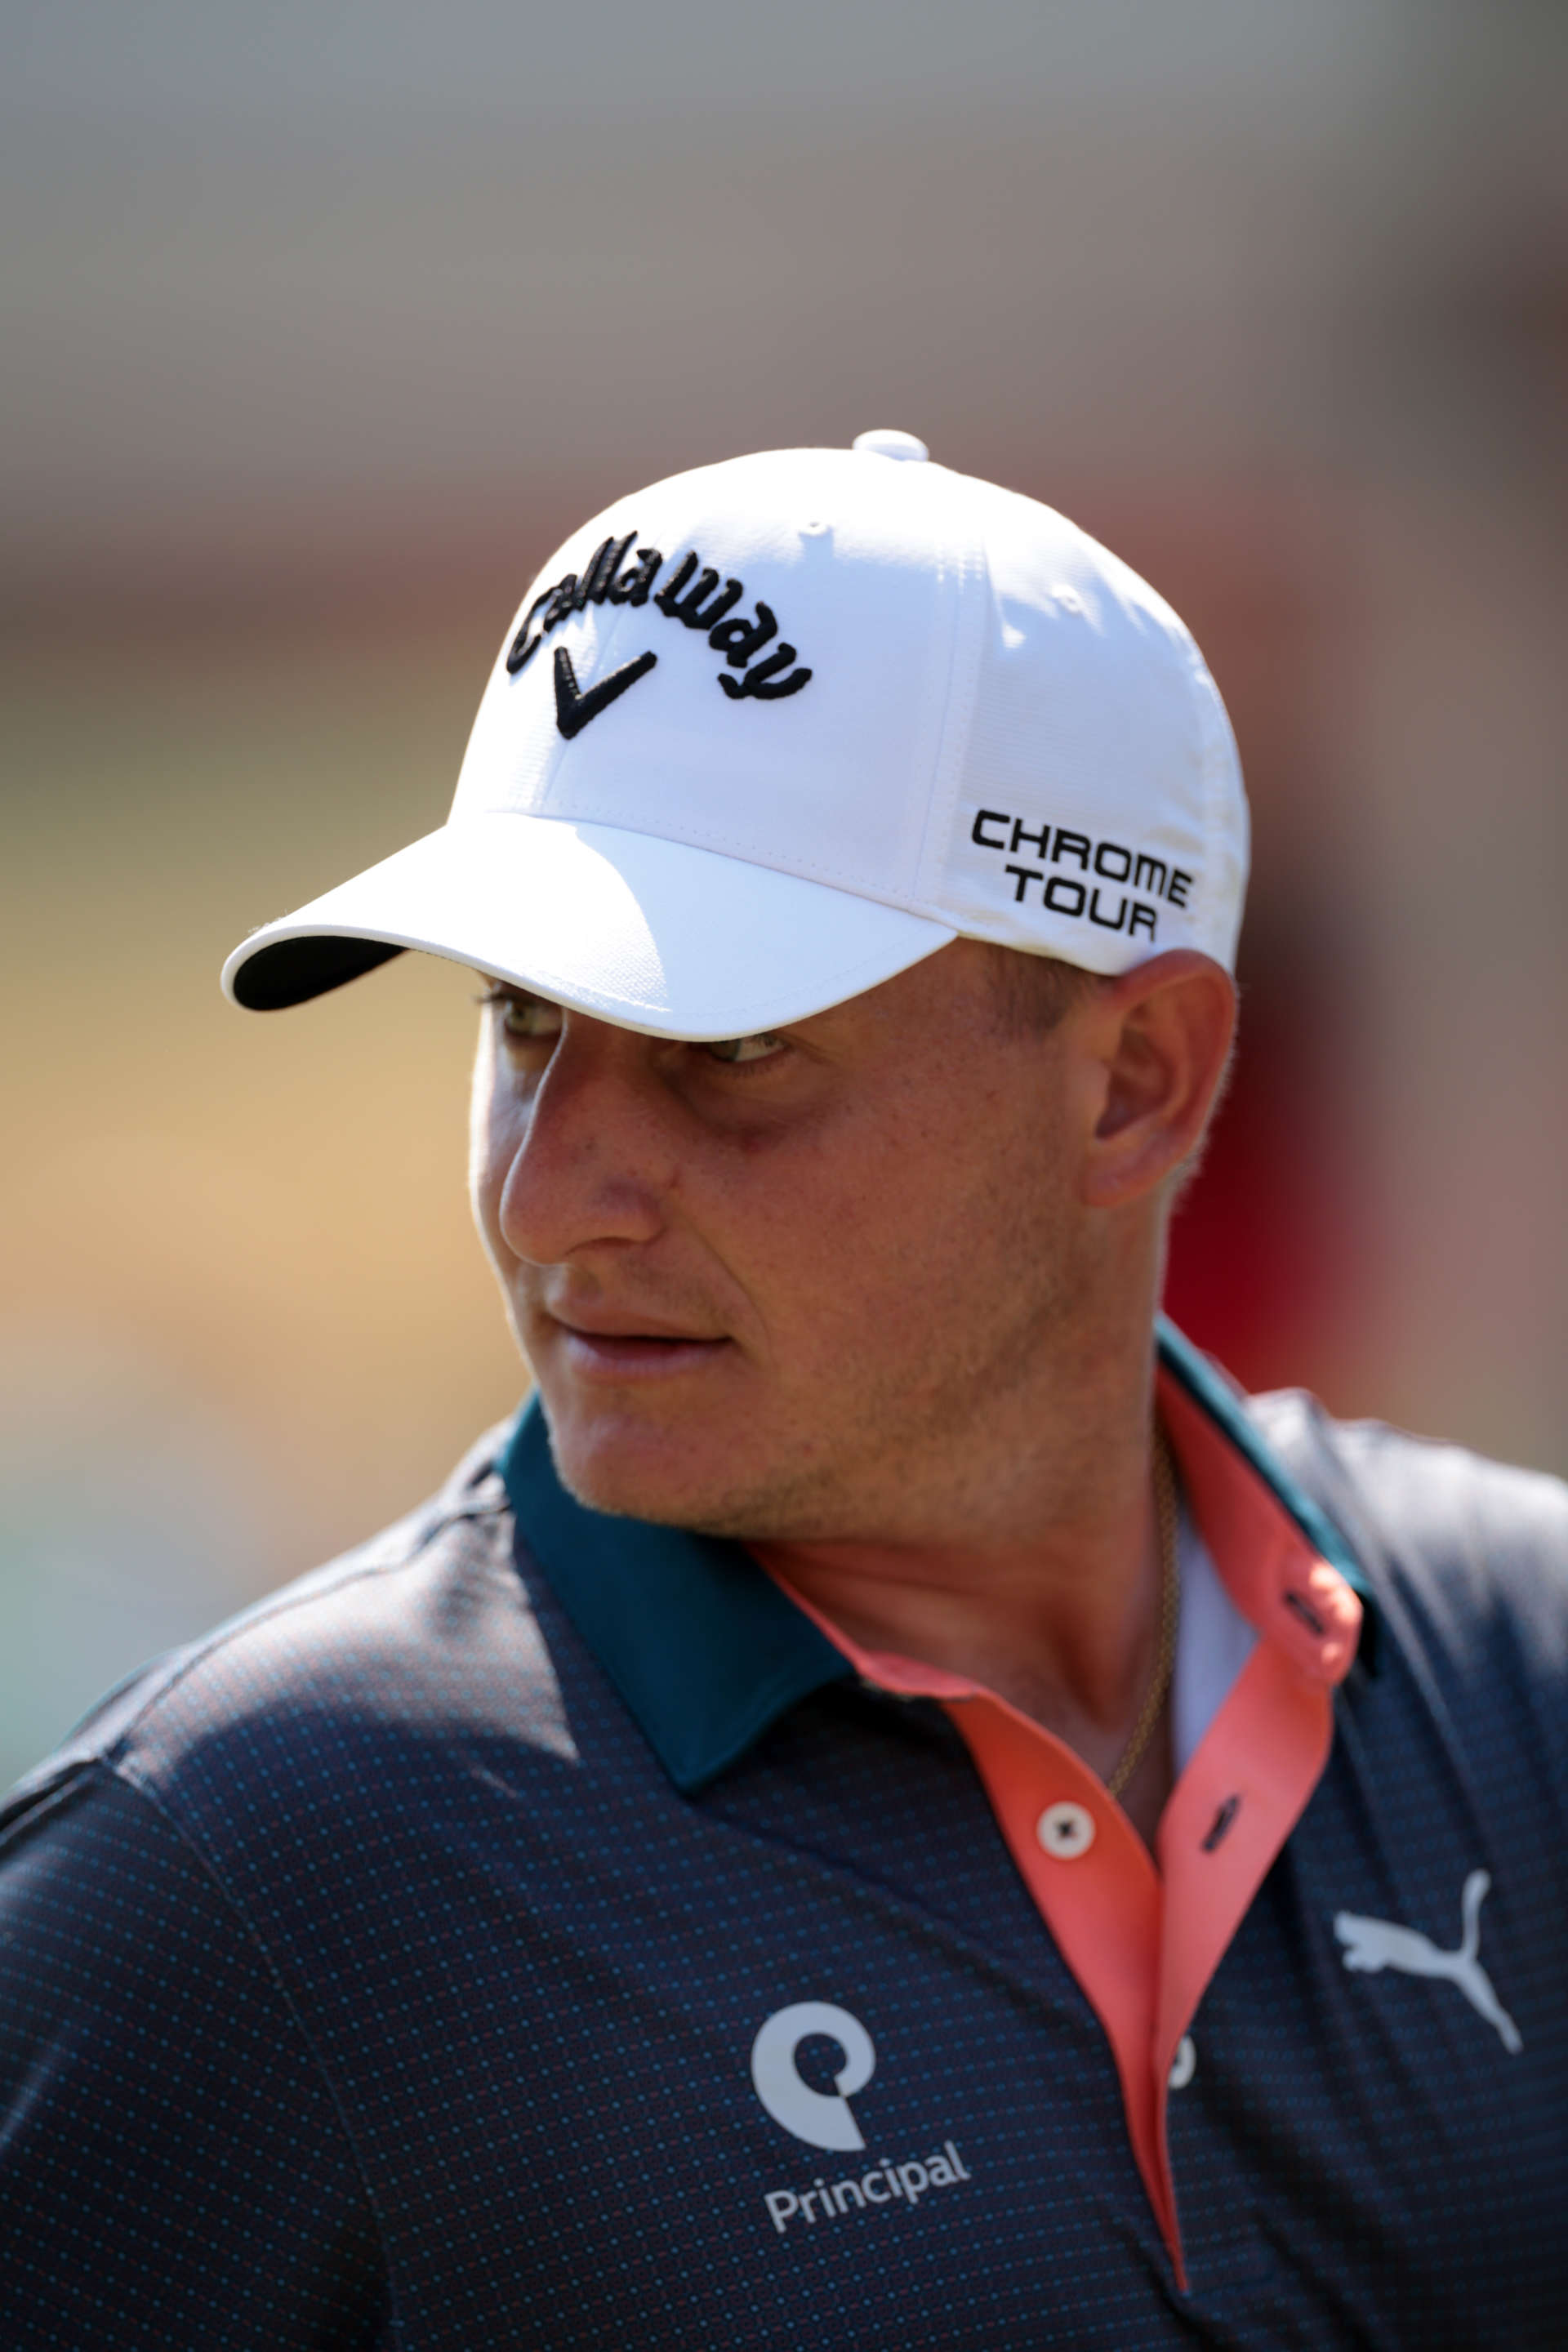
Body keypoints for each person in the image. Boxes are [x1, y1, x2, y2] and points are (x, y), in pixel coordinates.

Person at [2, 431, 1564, 2350]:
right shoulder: (249, 1870)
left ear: (1137, 1077)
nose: (545, 1190)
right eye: (521, 1023)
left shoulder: (1533, 1671)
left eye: (729, 1048)